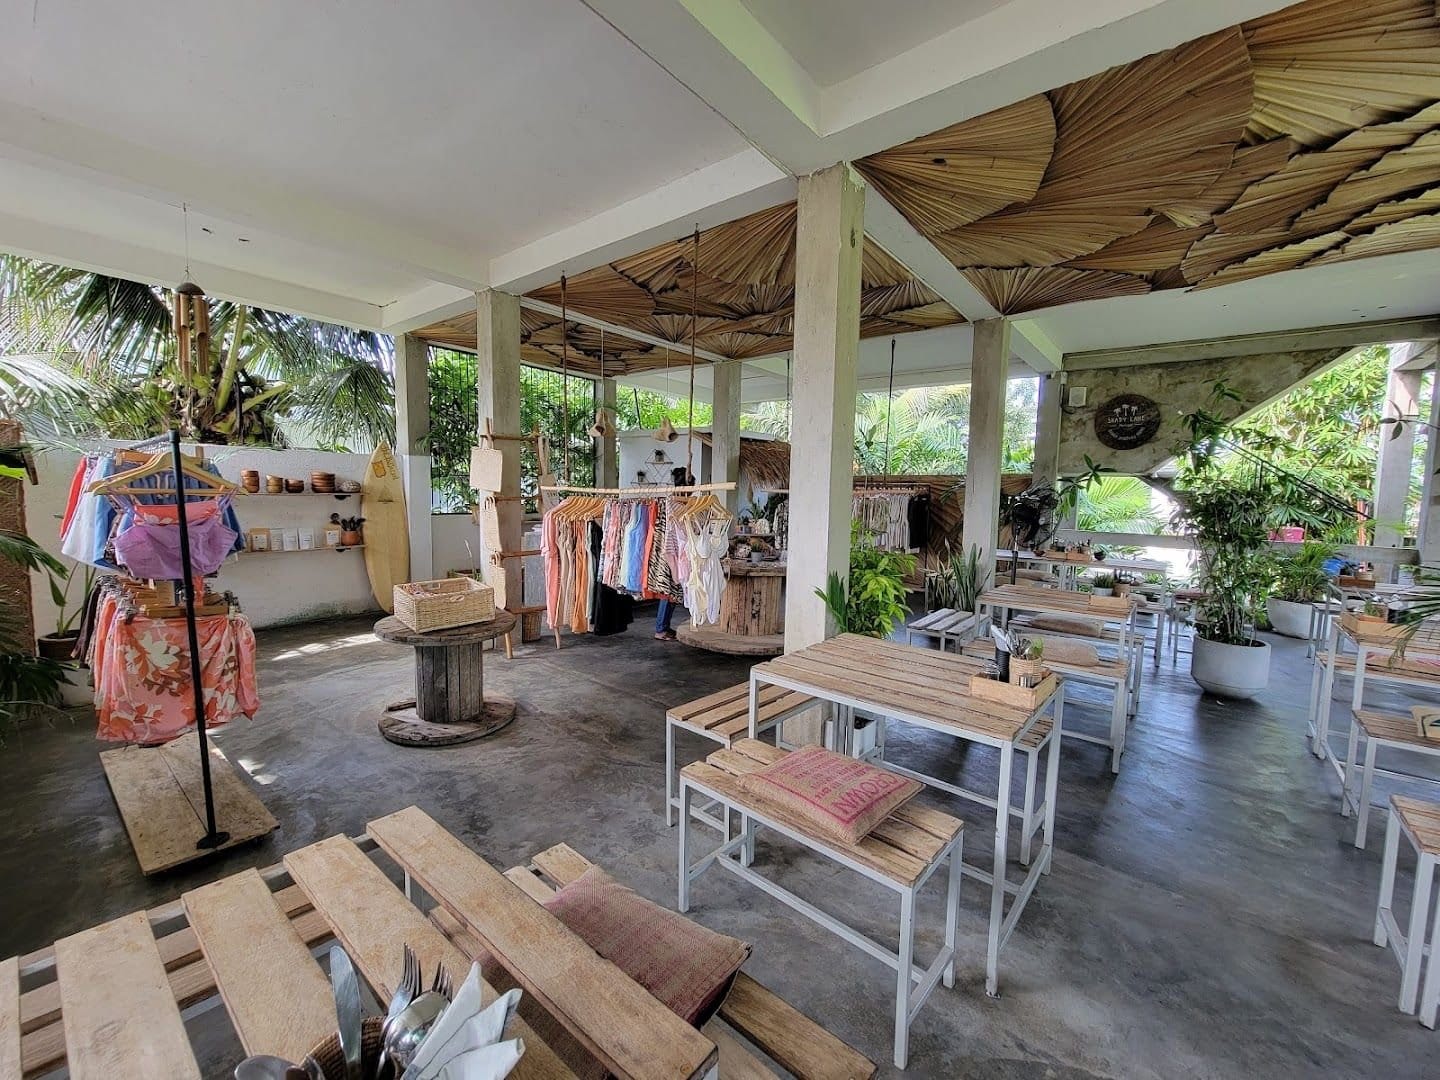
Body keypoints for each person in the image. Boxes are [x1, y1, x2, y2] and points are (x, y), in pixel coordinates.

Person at [655, 466, 694, 640]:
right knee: (668, 590)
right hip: (670, 550)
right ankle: (661, 628)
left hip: (674, 551)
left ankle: (663, 626)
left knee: (671, 590)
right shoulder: (673, 504)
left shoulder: (677, 503)